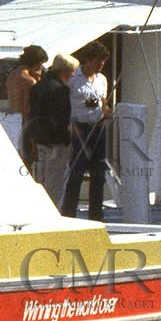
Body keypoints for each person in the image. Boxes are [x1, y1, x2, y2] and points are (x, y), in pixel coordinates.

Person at [62, 42, 111, 221]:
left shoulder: (102, 79)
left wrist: (106, 111)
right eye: (98, 61)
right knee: (77, 171)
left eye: (103, 62)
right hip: (79, 128)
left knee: (99, 173)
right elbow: (64, 104)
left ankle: (96, 215)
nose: (101, 65)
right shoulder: (73, 79)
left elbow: (104, 101)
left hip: (98, 128)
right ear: (88, 60)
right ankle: (69, 214)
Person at [28, 53, 76, 204]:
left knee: (41, 181)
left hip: (40, 140)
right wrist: (66, 139)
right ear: (65, 70)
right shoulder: (61, 90)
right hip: (56, 142)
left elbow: (32, 113)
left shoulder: (37, 87)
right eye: (72, 71)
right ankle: (54, 212)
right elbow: (62, 118)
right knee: (55, 184)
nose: (73, 74)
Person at [4, 44, 47, 163]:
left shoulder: (13, 75)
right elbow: (28, 107)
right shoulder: (29, 81)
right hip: (24, 121)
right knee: (27, 160)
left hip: (10, 117)